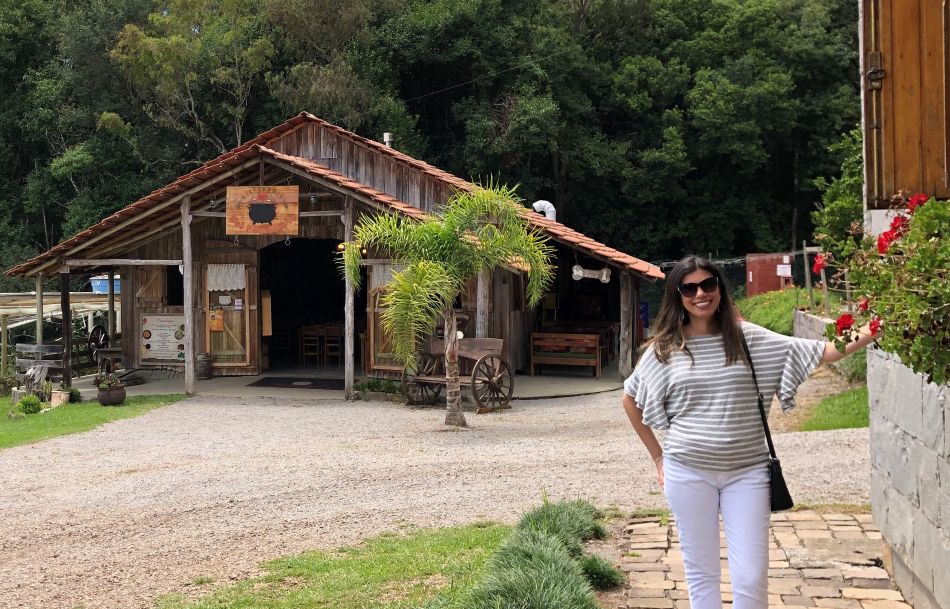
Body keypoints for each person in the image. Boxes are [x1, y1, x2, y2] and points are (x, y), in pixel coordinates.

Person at [621, 255, 877, 609]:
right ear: (677, 295)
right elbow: (630, 399)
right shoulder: (665, 349)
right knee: (701, 574)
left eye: (708, 285)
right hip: (688, 472)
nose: (700, 294)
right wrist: (658, 457)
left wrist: (876, 327)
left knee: (751, 577)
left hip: (748, 473)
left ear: (720, 290)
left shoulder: (749, 339)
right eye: (690, 287)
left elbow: (827, 351)